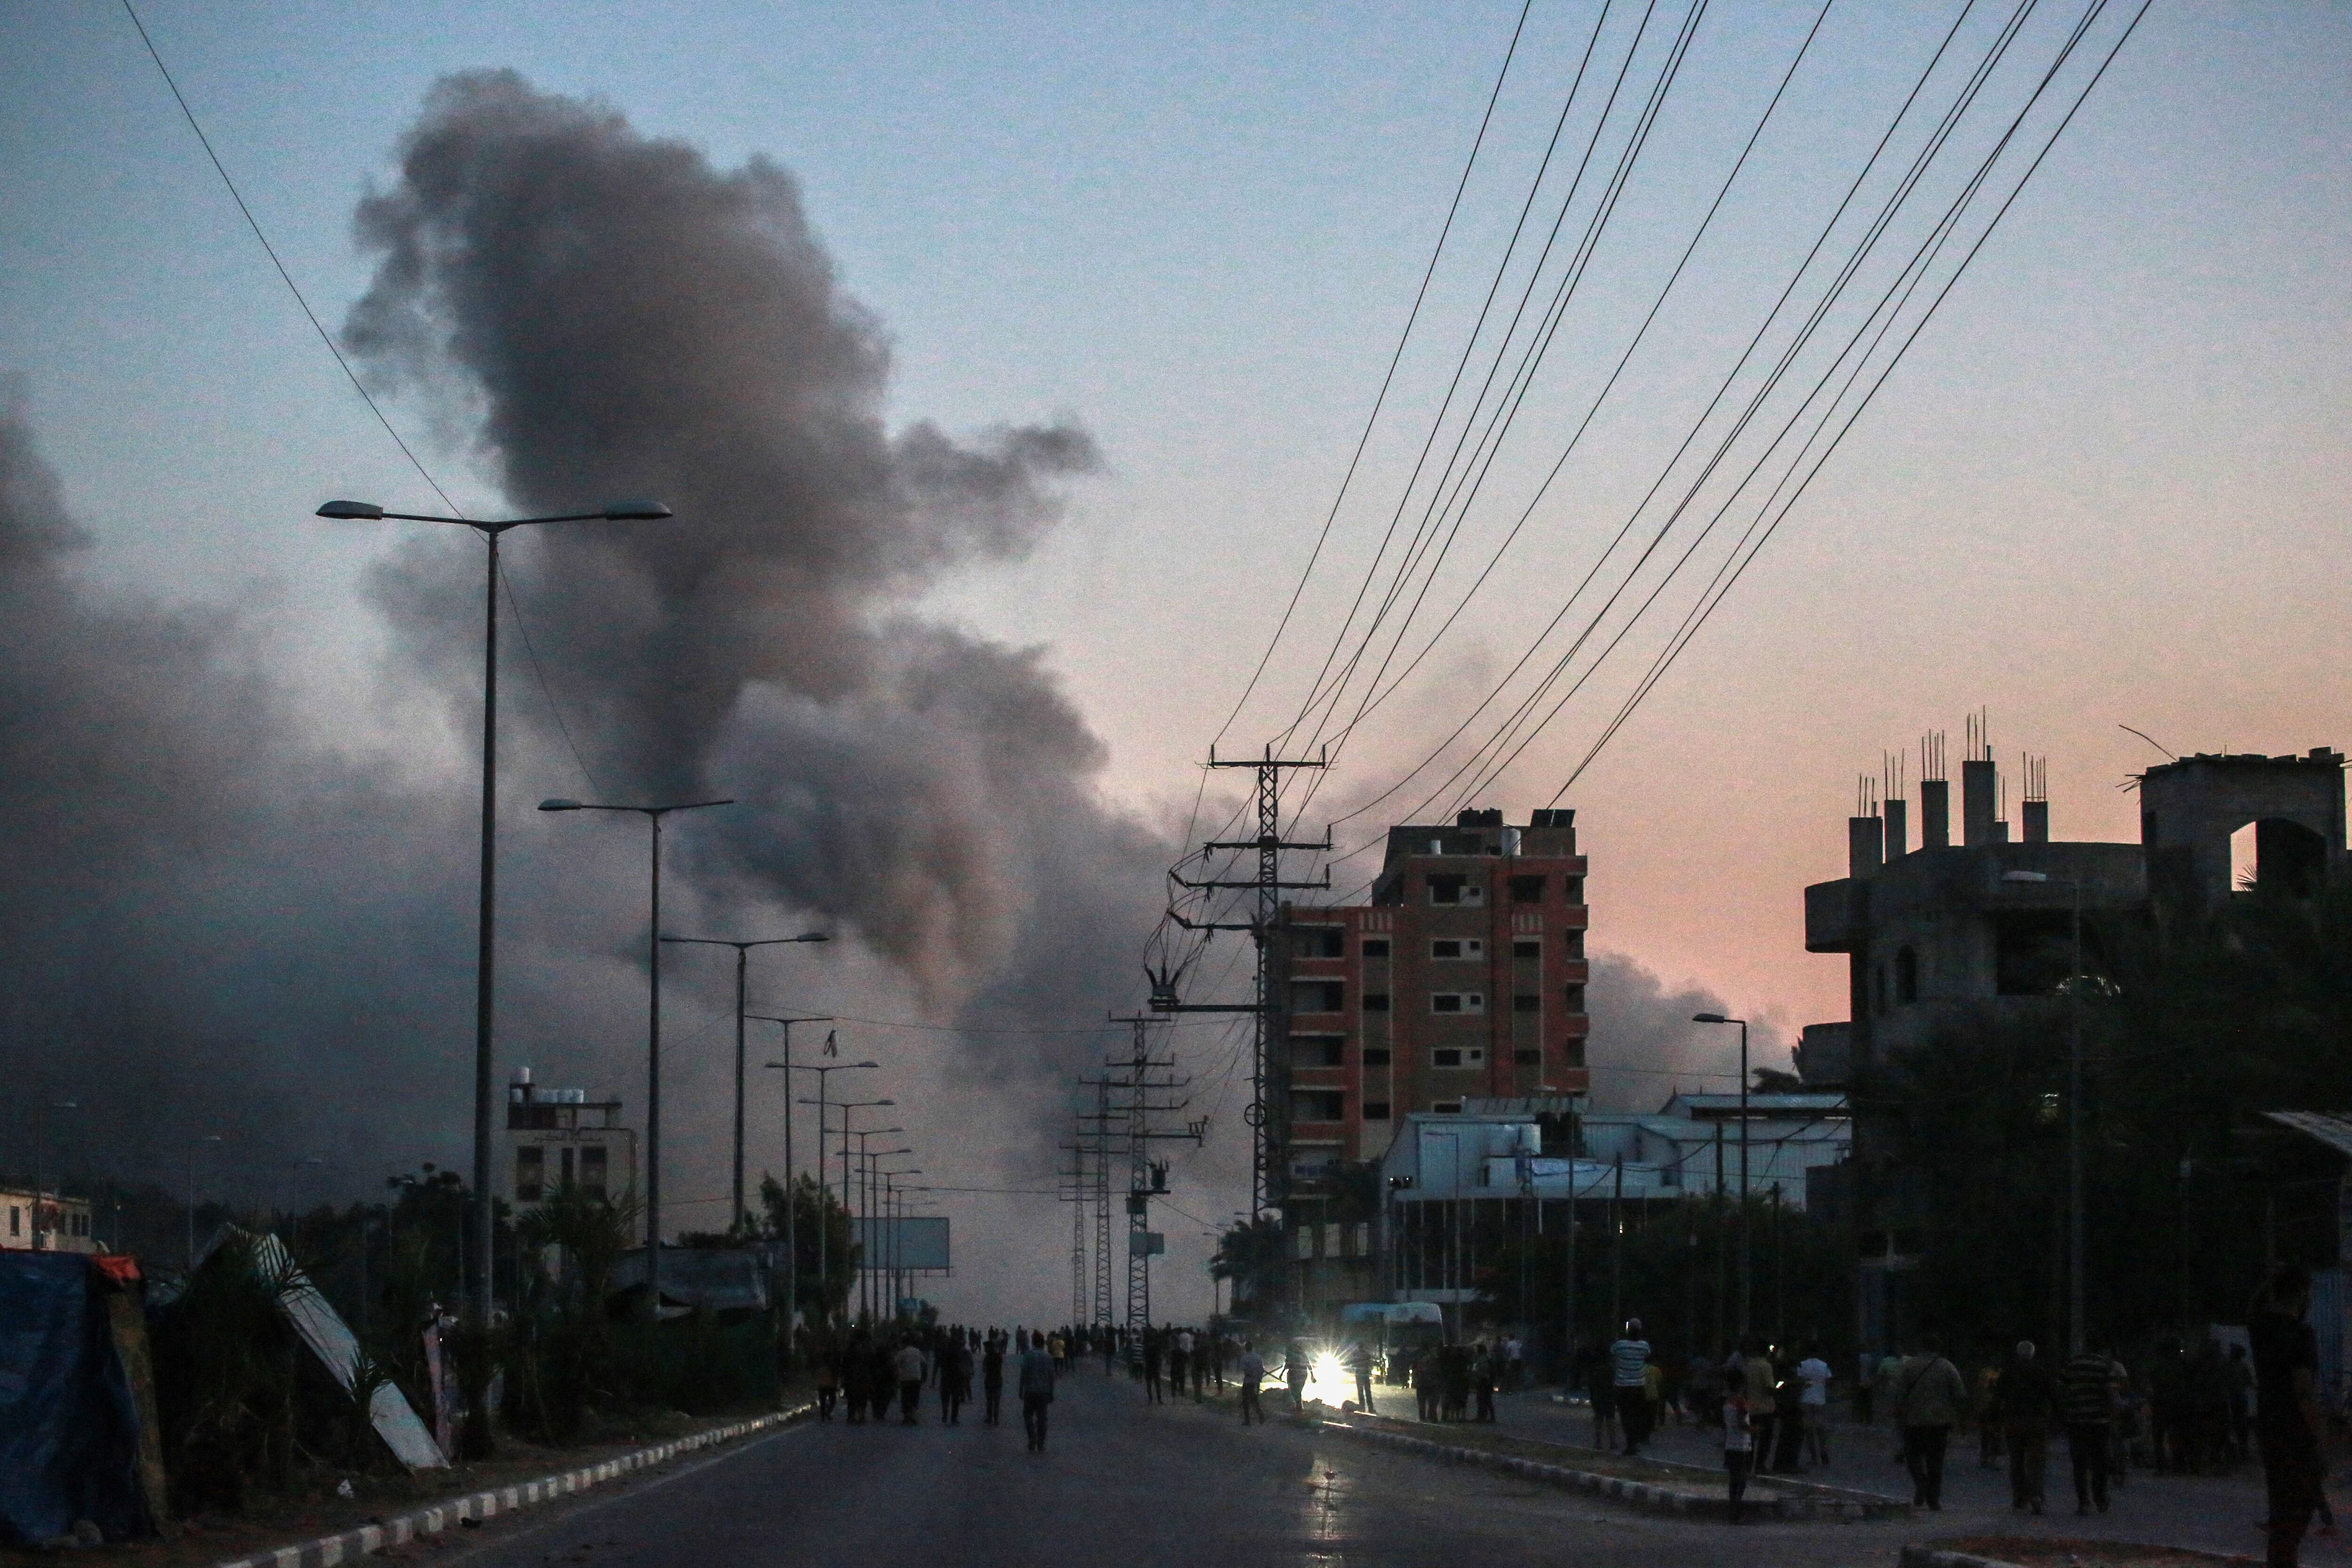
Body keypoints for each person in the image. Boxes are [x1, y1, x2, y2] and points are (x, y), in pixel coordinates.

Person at [2251, 1264, 2328, 1566]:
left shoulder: (2262, 1328)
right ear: (2302, 1295)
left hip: (2269, 1426)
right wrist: (2320, 1438)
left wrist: (2270, 1282)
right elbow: (2304, 1392)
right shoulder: (2300, 1334)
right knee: (2297, 1515)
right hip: (2295, 1430)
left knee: (2281, 1510)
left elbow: (2253, 1307)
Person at [1892, 1337, 1967, 1510]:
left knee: (1913, 1456)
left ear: (1921, 1347)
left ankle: (1921, 1482)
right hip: (1939, 1421)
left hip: (1913, 1420)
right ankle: (1933, 1499)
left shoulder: (1909, 1366)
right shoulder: (1947, 1366)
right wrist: (1961, 1419)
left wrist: (1898, 1414)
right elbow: (1960, 1394)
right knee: (1936, 1460)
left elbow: (1899, 1393)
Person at [2059, 1339, 2126, 1516]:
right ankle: (2101, 1499)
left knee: (2079, 1463)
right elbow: (2111, 1393)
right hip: (2099, 1421)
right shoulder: (2105, 1366)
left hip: (2076, 1420)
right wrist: (2115, 1415)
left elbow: (2062, 1390)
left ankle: (2083, 1502)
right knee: (2100, 1462)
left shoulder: (2072, 1364)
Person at [1998, 1340, 2058, 1515]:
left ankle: (2019, 1497)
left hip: (2014, 1421)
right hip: (2036, 1422)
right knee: (2036, 1461)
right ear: (2033, 1354)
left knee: (2016, 1460)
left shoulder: (2009, 1373)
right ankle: (2036, 1495)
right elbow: (2053, 1396)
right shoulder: (2041, 1373)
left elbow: (1999, 1396)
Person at [1611, 1320, 1654, 1457]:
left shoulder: (1620, 1345)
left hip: (1622, 1386)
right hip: (1638, 1386)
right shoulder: (1644, 1346)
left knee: (1625, 1416)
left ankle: (1631, 1443)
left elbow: (1612, 1353)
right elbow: (1648, 1356)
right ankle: (1634, 1442)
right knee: (1637, 1415)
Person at [1796, 1344, 1834, 1468]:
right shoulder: (1824, 1365)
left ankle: (1813, 1457)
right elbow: (1829, 1381)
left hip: (1806, 1399)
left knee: (1809, 1430)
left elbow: (1799, 1380)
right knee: (1820, 1429)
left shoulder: (1802, 1364)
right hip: (1820, 1399)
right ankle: (1823, 1451)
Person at [1019, 1329, 1057, 1452]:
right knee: (1042, 1419)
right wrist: (1052, 1392)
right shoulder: (1048, 1357)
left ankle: (1032, 1437)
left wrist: (1021, 1388)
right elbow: (1052, 1376)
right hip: (1044, 1392)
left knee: (1028, 1416)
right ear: (1043, 1343)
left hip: (1030, 1391)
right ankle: (1041, 1444)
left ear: (1034, 1342)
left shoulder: (1028, 1355)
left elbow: (1024, 1373)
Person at [1722, 1392, 1756, 1525]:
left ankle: (1733, 1512)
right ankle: (1736, 1513)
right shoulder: (1740, 1402)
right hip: (1741, 1446)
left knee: (1733, 1481)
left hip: (1730, 1445)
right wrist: (1755, 1430)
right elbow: (1742, 1424)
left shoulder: (1727, 1403)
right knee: (1741, 1482)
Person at [894, 1337, 927, 1425]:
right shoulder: (917, 1351)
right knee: (915, 1397)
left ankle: (907, 1417)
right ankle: (913, 1416)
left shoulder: (903, 1353)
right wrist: (924, 1376)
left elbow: (896, 1362)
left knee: (905, 1397)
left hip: (905, 1378)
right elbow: (924, 1363)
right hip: (916, 1378)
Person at [1238, 1341, 1267, 1425]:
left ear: (1246, 1348)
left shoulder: (1244, 1358)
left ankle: (1248, 1420)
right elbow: (1262, 1369)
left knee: (1246, 1400)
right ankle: (1261, 1415)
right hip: (1256, 1381)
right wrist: (1259, 1378)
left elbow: (1245, 1370)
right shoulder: (1258, 1357)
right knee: (1254, 1399)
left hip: (1248, 1381)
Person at [982, 1332, 1006, 1426]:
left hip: (989, 1381)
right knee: (997, 1401)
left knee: (989, 1401)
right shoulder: (998, 1356)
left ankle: (989, 1418)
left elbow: (984, 1370)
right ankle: (996, 1419)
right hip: (998, 1381)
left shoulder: (987, 1358)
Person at [1349, 1340, 1377, 1414]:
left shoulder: (1355, 1355)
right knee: (1368, 1392)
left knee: (1360, 1392)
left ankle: (1362, 1408)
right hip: (1365, 1375)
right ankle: (1371, 1409)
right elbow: (1370, 1364)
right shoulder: (1367, 1355)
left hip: (1359, 1375)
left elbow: (1352, 1364)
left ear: (1358, 1347)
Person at [1285, 1338, 1312, 1413]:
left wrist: (1312, 1375)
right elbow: (1287, 1364)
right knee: (1295, 1391)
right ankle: (1298, 1406)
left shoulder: (1296, 1354)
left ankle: (1299, 1407)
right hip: (1297, 1374)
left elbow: (1308, 1365)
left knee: (1296, 1391)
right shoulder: (1297, 1354)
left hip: (1297, 1374)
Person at [814, 1346, 840, 1422]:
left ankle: (823, 1416)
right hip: (830, 1385)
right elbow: (835, 1376)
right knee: (833, 1400)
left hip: (822, 1385)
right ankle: (828, 1412)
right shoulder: (832, 1367)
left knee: (823, 1401)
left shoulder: (821, 1366)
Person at [1143, 1328, 1165, 1404]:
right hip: (1155, 1368)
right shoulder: (1157, 1347)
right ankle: (1159, 1400)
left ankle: (1150, 1399)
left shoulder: (1146, 1347)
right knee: (1157, 1384)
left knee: (1149, 1385)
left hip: (1149, 1368)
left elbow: (1145, 1358)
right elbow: (1160, 1358)